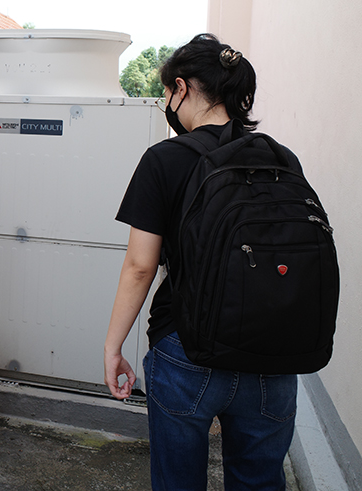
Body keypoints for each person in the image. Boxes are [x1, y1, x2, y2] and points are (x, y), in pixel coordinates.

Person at [103, 34, 298, 490]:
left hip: (187, 349)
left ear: (182, 88)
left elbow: (139, 266)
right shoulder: (279, 159)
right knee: (260, 482)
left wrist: (115, 346)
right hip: (273, 354)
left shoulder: (165, 159)